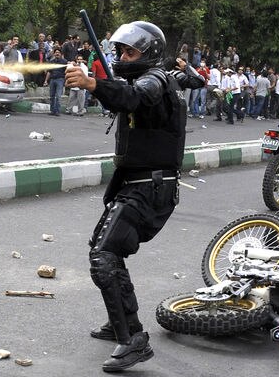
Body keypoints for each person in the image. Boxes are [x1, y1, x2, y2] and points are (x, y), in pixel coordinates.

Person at [65, 20, 204, 372]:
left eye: (130, 51)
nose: (123, 57)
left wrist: (93, 83)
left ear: (150, 53)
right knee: (106, 251)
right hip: (136, 184)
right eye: (121, 51)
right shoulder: (139, 79)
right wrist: (104, 84)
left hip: (150, 188)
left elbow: (135, 97)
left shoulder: (155, 81)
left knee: (104, 255)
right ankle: (120, 323)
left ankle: (134, 340)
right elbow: (125, 94)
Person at [44, 48, 66, 116]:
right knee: (52, 96)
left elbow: (66, 71)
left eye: (58, 52)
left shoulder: (64, 61)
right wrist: (46, 81)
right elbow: (49, 72)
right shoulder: (51, 61)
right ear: (54, 54)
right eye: (56, 52)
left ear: (61, 54)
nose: (57, 53)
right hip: (52, 80)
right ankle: (52, 111)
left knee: (58, 96)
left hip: (60, 80)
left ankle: (57, 111)